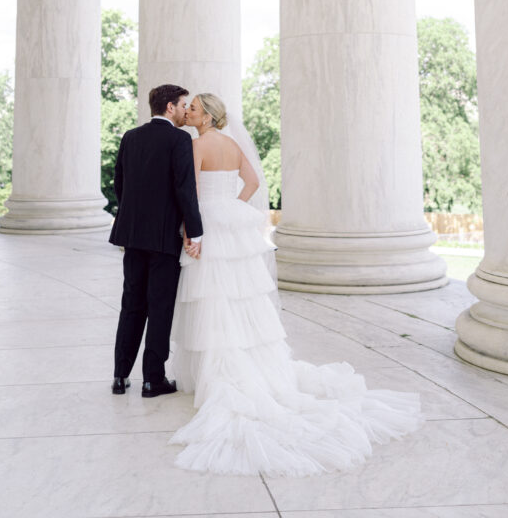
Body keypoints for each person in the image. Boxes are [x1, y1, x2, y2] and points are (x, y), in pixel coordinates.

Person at [169, 92, 423, 476]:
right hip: (231, 223)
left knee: (213, 296)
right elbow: (252, 182)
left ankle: (217, 371)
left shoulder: (197, 145)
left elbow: (189, 191)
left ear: (206, 117)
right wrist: (231, 205)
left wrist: (199, 220)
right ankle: (250, 362)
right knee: (242, 297)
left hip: (208, 223)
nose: (189, 112)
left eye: (194, 108)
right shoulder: (232, 144)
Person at [109, 84, 203, 398]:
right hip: (163, 238)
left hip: (132, 236)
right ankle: (152, 380)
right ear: (170, 107)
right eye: (183, 104)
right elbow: (184, 189)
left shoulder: (130, 137)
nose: (185, 110)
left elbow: (118, 183)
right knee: (159, 308)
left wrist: (133, 219)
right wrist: (196, 231)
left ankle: (120, 377)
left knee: (131, 306)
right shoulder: (180, 139)